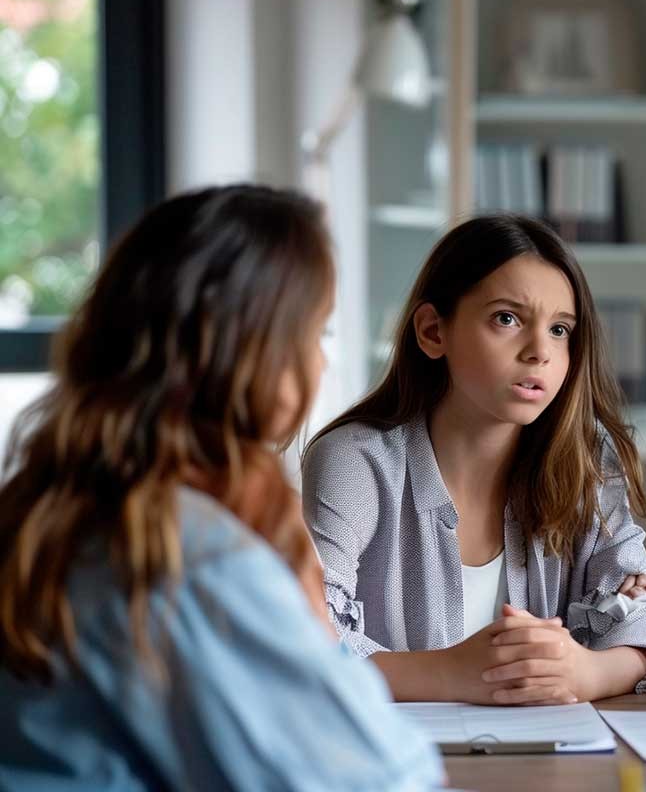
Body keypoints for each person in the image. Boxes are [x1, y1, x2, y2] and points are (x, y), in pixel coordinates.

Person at [0, 185, 444, 790]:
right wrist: (305, 600)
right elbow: (377, 781)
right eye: (314, 335)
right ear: (254, 351)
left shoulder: (45, 501)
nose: (320, 364)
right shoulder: (185, 550)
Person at [303, 214, 646, 706]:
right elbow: (308, 644)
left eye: (560, 330)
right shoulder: (355, 463)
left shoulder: (587, 461)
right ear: (432, 332)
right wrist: (450, 673)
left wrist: (585, 672)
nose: (539, 352)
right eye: (507, 319)